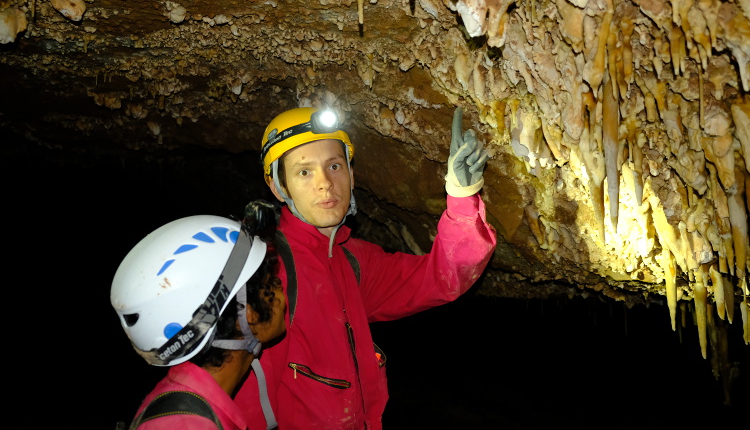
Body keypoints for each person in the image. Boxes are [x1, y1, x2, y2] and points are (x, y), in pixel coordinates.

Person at [236, 106, 497, 429]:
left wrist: (462, 196)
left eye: (334, 165)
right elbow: (237, 401)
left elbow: (442, 277)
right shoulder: (268, 271)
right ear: (279, 187)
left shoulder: (354, 261)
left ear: (351, 173)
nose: (326, 184)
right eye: (304, 172)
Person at [111, 201, 286, 430]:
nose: (280, 286)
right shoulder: (189, 424)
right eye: (269, 282)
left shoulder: (188, 405)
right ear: (247, 313)